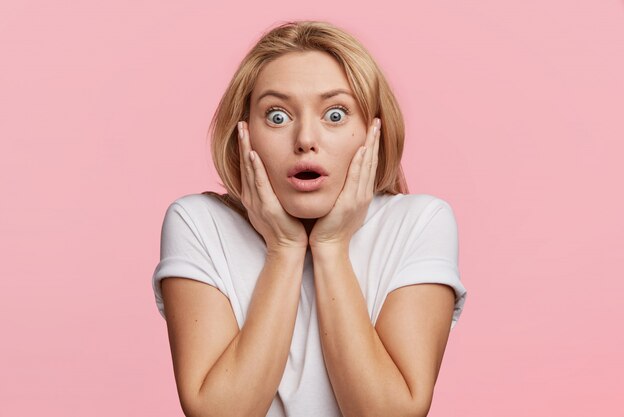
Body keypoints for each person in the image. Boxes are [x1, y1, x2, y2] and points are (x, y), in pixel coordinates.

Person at [152, 20, 468, 417]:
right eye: (278, 116)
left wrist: (331, 247)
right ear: (243, 132)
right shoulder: (199, 223)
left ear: (373, 132)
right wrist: (284, 249)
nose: (304, 139)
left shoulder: (419, 222)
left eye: (335, 115)